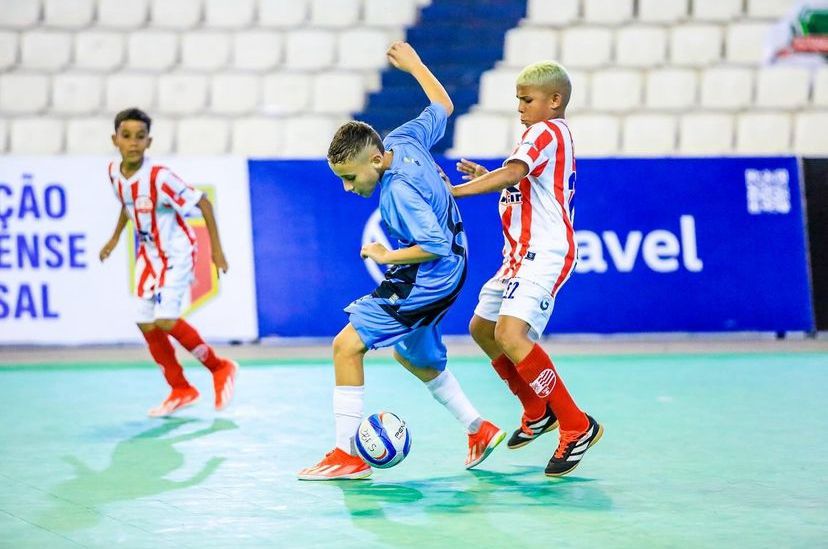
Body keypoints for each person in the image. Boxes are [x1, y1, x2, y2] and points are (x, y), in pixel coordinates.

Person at [298, 42, 505, 481]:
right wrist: (416, 66)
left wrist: (384, 254)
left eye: (351, 178)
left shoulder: (397, 194)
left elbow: (431, 244)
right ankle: (478, 427)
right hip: (452, 269)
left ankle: (346, 454)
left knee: (345, 345)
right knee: (412, 355)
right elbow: (443, 104)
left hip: (431, 272)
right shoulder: (403, 139)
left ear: (375, 161)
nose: (348, 188)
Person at [452, 61, 602, 477]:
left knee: (510, 334)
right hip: (516, 255)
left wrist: (459, 190)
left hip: (545, 251)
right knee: (482, 329)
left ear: (554, 101)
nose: (520, 107)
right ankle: (537, 409)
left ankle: (576, 425)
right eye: (517, 99)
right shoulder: (544, 137)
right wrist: (490, 177)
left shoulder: (546, 131)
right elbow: (520, 181)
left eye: (527, 99)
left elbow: (516, 171)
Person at [99, 107, 238, 417]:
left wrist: (217, 250)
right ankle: (180, 387)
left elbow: (203, 203)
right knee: (144, 321)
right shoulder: (114, 173)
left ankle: (220, 367)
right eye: (126, 136)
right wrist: (113, 239)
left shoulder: (160, 178)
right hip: (149, 256)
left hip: (177, 253)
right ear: (115, 139)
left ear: (149, 142)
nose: (133, 143)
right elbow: (127, 204)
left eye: (140, 137)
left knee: (164, 319)